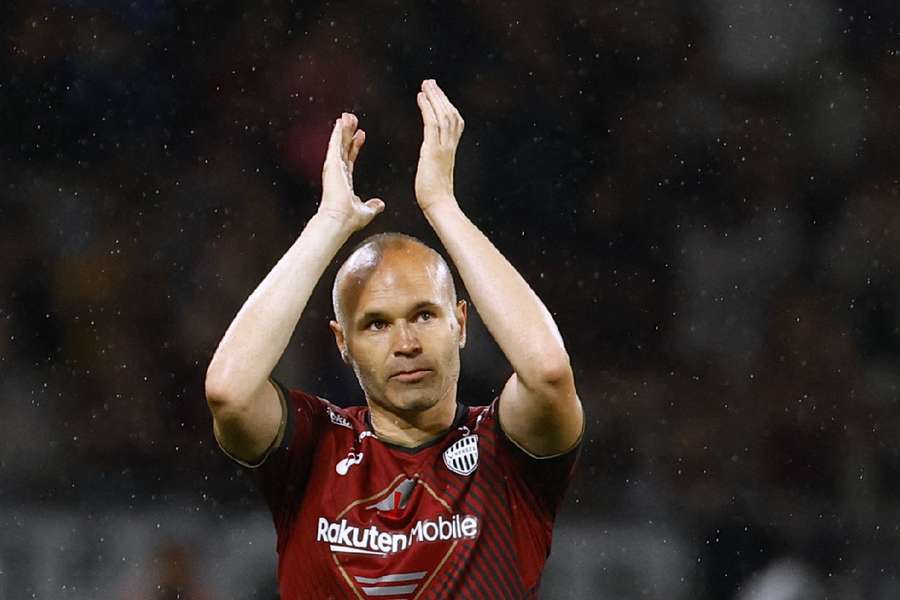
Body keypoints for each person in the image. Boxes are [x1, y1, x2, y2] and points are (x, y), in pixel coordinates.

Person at [204, 79, 584, 599]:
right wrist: (328, 223)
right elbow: (229, 391)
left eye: (424, 315)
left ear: (462, 324)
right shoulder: (316, 447)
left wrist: (442, 206)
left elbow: (547, 372)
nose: (405, 342)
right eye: (376, 324)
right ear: (343, 342)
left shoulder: (504, 453)